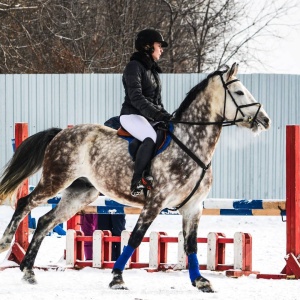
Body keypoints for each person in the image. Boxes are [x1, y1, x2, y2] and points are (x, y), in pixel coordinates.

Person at [120, 28, 172, 197]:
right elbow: (136, 97)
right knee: (151, 138)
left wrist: (167, 116)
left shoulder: (153, 71)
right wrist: (157, 114)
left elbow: (157, 101)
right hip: (132, 115)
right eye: (159, 45)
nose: (161, 49)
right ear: (148, 47)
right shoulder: (133, 67)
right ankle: (137, 181)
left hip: (147, 116)